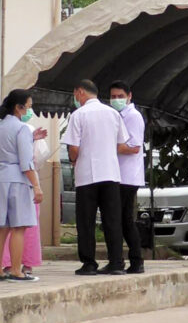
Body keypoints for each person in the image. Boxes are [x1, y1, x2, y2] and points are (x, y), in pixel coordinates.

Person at [61, 80, 129, 276]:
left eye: (75, 94)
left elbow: (73, 148)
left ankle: (89, 263)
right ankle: (116, 262)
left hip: (87, 175)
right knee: (112, 220)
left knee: (86, 222)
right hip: (111, 173)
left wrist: (74, 159)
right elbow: (121, 143)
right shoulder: (113, 114)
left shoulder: (78, 114)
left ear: (80, 92)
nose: (75, 98)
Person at [0, 89, 47, 282]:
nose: (29, 111)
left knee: (1, 228)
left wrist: (31, 138)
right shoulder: (22, 128)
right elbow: (26, 161)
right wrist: (36, 186)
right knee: (19, 226)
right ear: (18, 107)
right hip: (17, 180)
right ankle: (16, 270)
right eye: (28, 107)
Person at [1, 118, 50, 277]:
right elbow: (38, 157)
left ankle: (5, 265)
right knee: (27, 225)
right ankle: (26, 264)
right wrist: (36, 185)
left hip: (2, 180)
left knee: (3, 226)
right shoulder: (27, 128)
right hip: (26, 180)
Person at [109, 81, 145, 274]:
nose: (116, 100)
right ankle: (134, 260)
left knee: (124, 220)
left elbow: (134, 147)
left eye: (119, 96)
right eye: (113, 97)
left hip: (127, 177)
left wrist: (106, 144)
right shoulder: (119, 115)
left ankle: (136, 260)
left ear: (129, 96)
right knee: (122, 220)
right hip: (119, 175)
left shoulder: (133, 116)